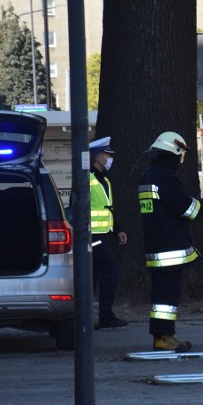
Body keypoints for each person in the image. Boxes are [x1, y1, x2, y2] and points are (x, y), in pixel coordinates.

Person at [138, 131, 203, 352]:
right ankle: (163, 337)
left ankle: (163, 335)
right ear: (175, 152)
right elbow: (187, 210)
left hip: (155, 245)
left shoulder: (148, 176)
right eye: (181, 155)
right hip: (169, 247)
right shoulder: (165, 178)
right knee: (166, 298)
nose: (182, 160)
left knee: (162, 296)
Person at [88, 136, 128, 330]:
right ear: (98, 158)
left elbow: (106, 209)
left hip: (102, 234)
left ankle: (88, 316)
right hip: (92, 237)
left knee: (93, 277)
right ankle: (105, 316)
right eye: (107, 154)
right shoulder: (87, 179)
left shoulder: (104, 180)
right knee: (111, 271)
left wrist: (117, 230)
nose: (110, 158)